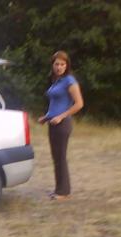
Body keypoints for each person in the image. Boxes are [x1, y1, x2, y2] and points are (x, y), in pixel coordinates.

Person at [38, 51, 84, 200]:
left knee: (60, 157)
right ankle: (59, 189)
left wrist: (60, 117)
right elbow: (56, 104)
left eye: (62, 64)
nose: (59, 67)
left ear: (67, 65)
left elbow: (79, 104)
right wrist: (46, 117)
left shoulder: (69, 81)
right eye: (56, 64)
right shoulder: (57, 81)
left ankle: (64, 192)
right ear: (52, 65)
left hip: (63, 124)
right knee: (56, 157)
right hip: (52, 123)